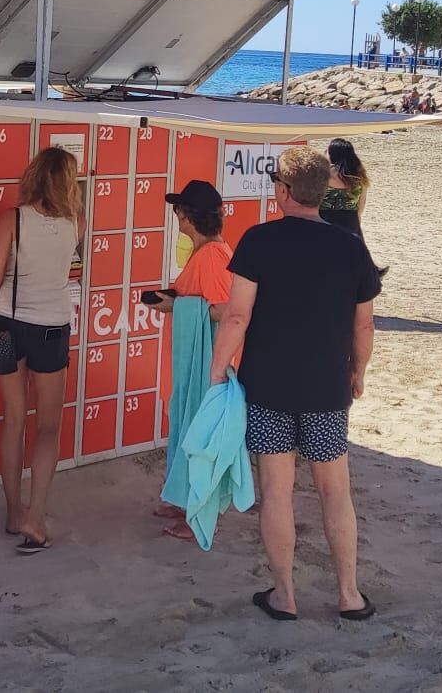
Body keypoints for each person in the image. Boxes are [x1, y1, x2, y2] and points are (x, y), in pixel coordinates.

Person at [211, 147, 382, 621]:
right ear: (324, 191)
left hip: (268, 387)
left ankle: (284, 594)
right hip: (327, 387)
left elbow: (237, 314)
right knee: (335, 492)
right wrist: (359, 371)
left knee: (278, 491)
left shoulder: (259, 240)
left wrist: (217, 368)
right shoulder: (351, 247)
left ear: (283, 191)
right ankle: (349, 594)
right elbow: (364, 326)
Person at [0, 146, 81, 553]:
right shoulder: (78, 220)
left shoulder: (12, 219)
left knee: (14, 420)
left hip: (8, 322)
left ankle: (11, 512)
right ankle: (36, 520)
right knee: (48, 428)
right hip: (51, 328)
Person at [150, 179, 231, 541]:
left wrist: (175, 305)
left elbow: (222, 309)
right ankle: (181, 498)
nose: (175, 216)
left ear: (186, 217)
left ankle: (197, 514)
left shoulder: (213, 256)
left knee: (198, 437)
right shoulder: (211, 252)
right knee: (186, 428)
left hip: (207, 365)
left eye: (178, 210)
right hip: (198, 361)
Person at [320, 138, 368, 231]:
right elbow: (360, 209)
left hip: (325, 223)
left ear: (332, 155)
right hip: (350, 224)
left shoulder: (323, 175)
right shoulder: (360, 177)